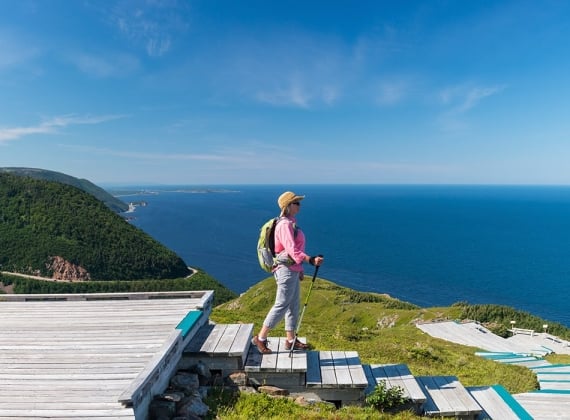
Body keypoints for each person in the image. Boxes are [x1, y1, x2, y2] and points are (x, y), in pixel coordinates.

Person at [252, 191, 324, 354]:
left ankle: (290, 339)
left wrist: (299, 269)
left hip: (291, 269)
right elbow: (291, 249)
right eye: (296, 203)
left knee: (293, 305)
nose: (299, 205)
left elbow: (292, 250)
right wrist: (310, 260)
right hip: (285, 270)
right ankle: (261, 338)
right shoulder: (284, 225)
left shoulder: (290, 223)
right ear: (288, 206)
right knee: (282, 304)